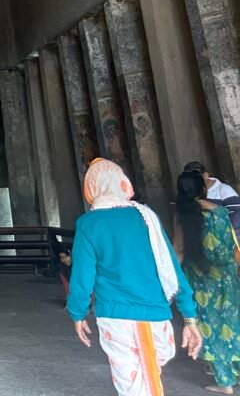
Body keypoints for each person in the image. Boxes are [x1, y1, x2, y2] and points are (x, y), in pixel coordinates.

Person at [68, 158, 202, 396]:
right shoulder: (146, 217)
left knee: (132, 385)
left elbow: (82, 276)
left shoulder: (89, 223)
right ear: (123, 183)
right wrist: (189, 316)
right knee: (150, 376)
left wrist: (77, 313)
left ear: (90, 188)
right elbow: (171, 267)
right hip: (156, 313)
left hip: (116, 316)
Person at [175, 170, 240, 394]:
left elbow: (179, 249)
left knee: (209, 327)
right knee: (232, 324)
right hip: (227, 276)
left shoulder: (183, 215)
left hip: (201, 280)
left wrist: (170, 278)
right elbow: (233, 245)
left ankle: (225, 382)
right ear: (203, 189)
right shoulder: (221, 212)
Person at [184, 162, 240, 231]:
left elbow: (237, 217)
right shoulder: (189, 194)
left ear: (206, 175)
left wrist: (213, 208)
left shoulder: (224, 189)